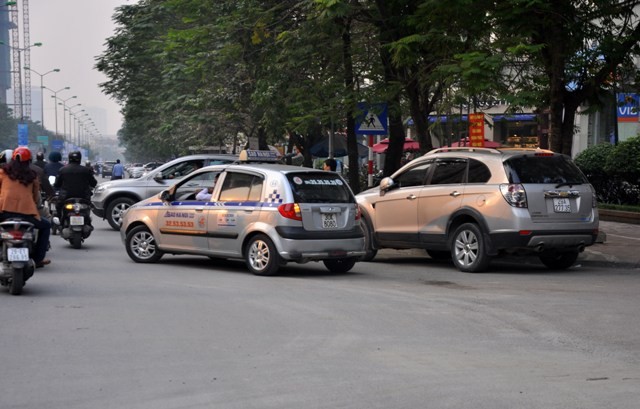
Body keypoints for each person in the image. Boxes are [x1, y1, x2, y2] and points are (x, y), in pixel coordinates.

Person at [0, 147, 51, 268]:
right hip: (27, 215)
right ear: (29, 161)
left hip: (4, 212)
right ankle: (38, 258)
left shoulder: (3, 173)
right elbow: (35, 197)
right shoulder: (32, 176)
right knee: (46, 226)